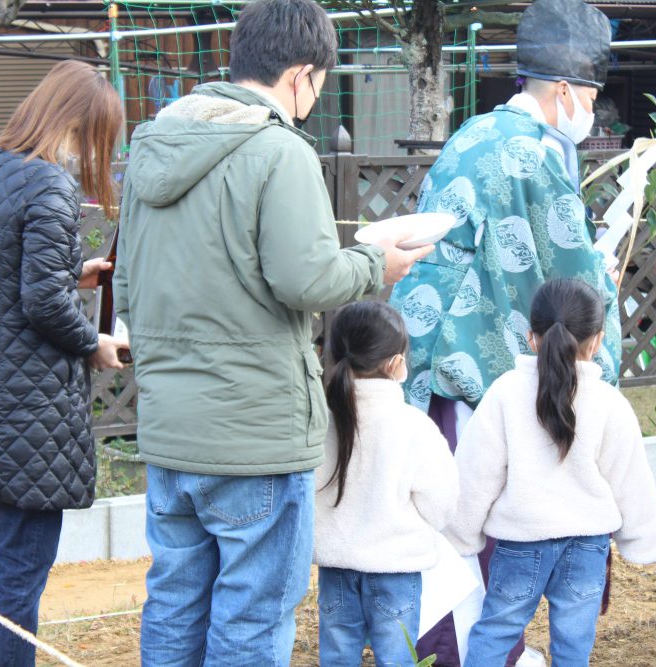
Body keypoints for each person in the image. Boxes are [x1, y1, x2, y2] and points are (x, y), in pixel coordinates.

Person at [112, 0, 431, 663]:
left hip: (171, 431)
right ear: (301, 76)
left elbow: (129, 283)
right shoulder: (278, 149)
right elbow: (307, 279)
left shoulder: (153, 144)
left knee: (174, 606)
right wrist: (379, 262)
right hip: (254, 434)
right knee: (251, 621)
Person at [387, 0, 621, 662]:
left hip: (423, 357)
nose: (593, 112)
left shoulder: (469, 135)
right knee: (481, 534)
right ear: (568, 88)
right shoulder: (537, 155)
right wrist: (607, 324)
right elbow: (574, 277)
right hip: (475, 368)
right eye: (593, 97)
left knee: (438, 529)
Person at [0, 60, 129, 667]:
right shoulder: (49, 185)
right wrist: (93, 344)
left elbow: (5, 279)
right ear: (76, 126)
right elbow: (43, 302)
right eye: (93, 137)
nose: (90, 154)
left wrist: (72, 272)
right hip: (31, 412)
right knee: (21, 578)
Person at [446, 279, 656, 666]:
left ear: (531, 337)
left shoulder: (505, 393)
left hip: (520, 542)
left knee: (496, 631)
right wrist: (642, 541)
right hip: (587, 544)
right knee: (573, 645)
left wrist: (460, 534)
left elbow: (475, 472)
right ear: (597, 340)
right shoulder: (609, 403)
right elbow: (630, 479)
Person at [314, 300, 459, 666]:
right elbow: (440, 503)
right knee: (397, 659)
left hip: (336, 564)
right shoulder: (413, 426)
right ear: (396, 364)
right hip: (396, 568)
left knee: (337, 656)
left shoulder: (320, 424)